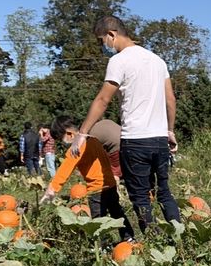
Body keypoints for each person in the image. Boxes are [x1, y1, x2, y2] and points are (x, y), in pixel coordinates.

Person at [71, 15, 180, 235]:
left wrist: (82, 133)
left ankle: (153, 240)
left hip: (135, 140)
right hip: (159, 139)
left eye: (102, 41)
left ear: (111, 34)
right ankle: (181, 239)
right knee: (164, 192)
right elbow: (170, 100)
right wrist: (170, 130)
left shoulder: (119, 61)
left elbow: (103, 100)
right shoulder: (158, 61)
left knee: (140, 196)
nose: (104, 46)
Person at [41, 118, 134, 242]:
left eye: (60, 140)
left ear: (69, 134)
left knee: (97, 221)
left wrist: (52, 189)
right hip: (110, 184)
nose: (62, 144)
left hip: (96, 190)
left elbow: (65, 169)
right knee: (117, 213)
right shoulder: (94, 140)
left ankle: (101, 246)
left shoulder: (76, 148)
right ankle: (129, 238)